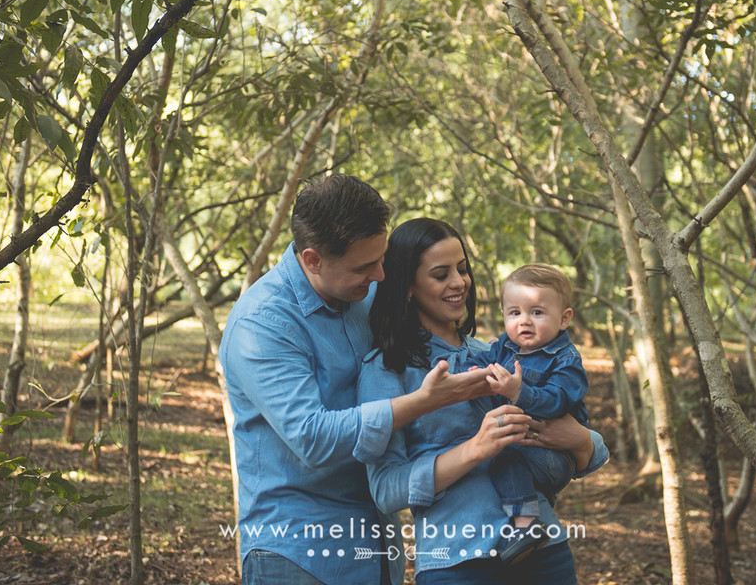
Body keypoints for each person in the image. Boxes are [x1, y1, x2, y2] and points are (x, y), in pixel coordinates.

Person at [218, 174, 491, 585]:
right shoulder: (262, 324)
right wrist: (422, 401)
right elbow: (312, 437)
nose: (381, 275)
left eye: (382, 258)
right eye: (365, 266)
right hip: (297, 552)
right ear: (312, 260)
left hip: (376, 546)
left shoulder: (364, 292)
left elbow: (434, 339)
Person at [358, 218, 609, 584]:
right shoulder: (386, 368)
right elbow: (385, 490)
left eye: (462, 269)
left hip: (545, 551)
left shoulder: (501, 352)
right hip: (458, 562)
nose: (459, 282)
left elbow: (588, 448)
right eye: (441, 274)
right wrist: (475, 449)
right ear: (408, 286)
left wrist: (583, 441)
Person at [465, 263, 593, 564]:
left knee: (504, 455)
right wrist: (474, 372)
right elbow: (486, 360)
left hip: (557, 457)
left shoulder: (566, 358)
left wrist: (516, 392)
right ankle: (529, 514)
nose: (524, 321)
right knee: (502, 452)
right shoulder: (506, 346)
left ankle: (526, 526)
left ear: (564, 319)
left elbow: (557, 402)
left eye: (537, 312)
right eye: (514, 312)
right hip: (530, 448)